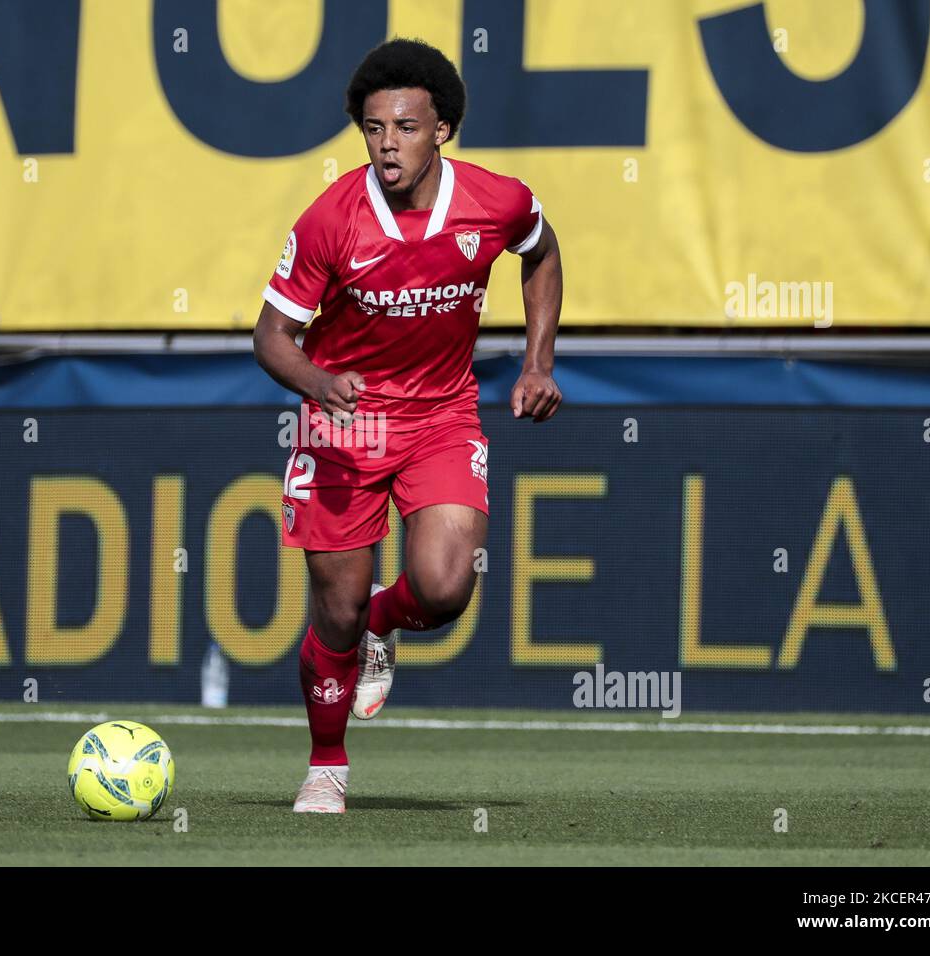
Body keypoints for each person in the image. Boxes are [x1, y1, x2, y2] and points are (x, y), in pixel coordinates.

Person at [252, 39, 564, 813]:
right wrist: (322, 384)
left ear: (443, 130)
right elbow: (269, 338)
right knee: (337, 609)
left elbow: (543, 251)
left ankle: (389, 623)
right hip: (346, 425)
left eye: (405, 126)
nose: (387, 142)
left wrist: (537, 363)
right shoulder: (332, 219)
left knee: (447, 586)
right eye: (372, 128)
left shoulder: (497, 202)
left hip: (442, 416)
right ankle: (327, 764)